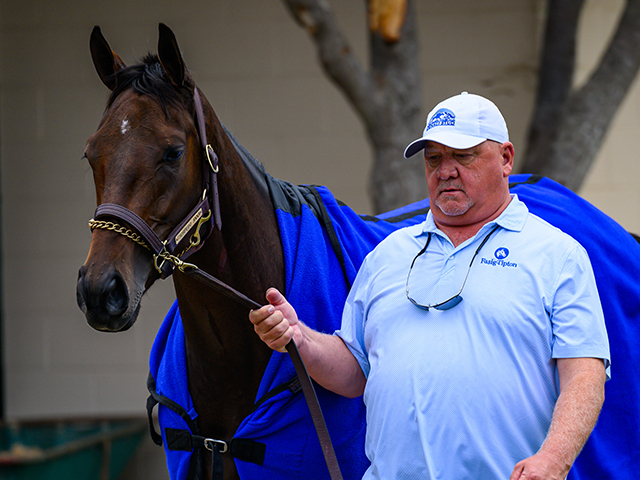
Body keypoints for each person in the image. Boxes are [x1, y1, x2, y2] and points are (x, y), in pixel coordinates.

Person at [249, 92, 610, 480]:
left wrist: (554, 460)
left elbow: (584, 375)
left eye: (463, 155)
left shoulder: (556, 254)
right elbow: (355, 370)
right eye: (434, 158)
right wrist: (299, 338)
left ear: (506, 158)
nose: (445, 170)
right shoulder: (387, 256)